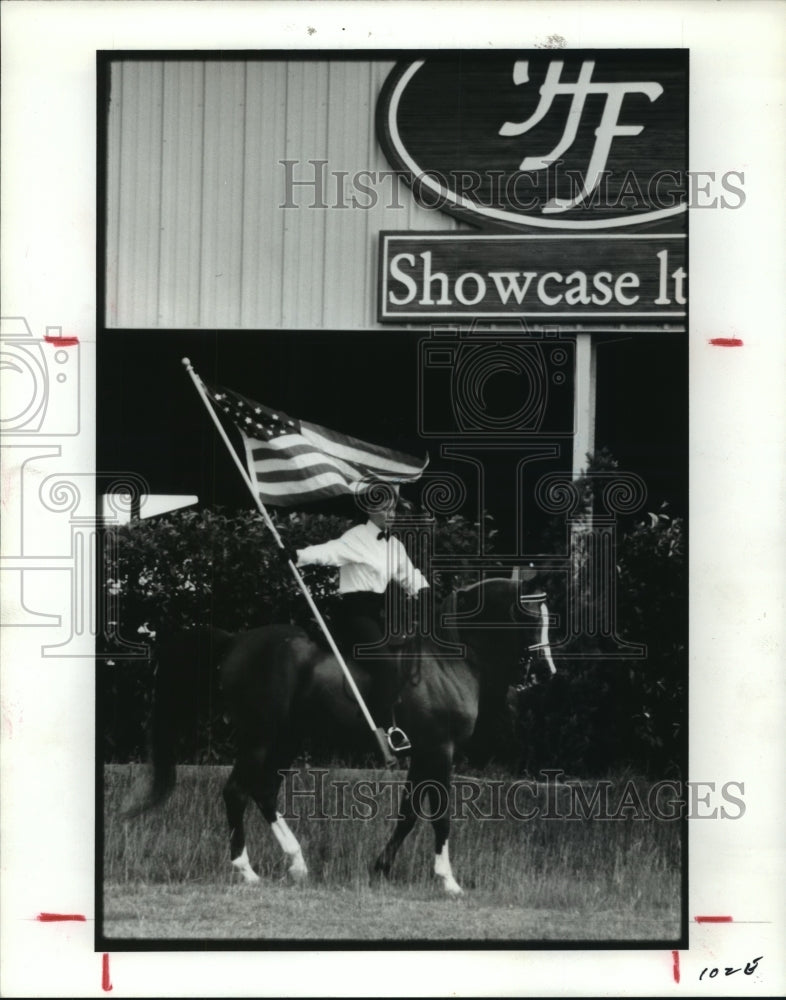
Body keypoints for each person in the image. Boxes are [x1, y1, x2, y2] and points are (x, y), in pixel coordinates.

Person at [280, 494, 428, 756]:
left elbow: (409, 575)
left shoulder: (395, 546)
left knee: (407, 660)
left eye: (394, 509)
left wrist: (425, 591)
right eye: (386, 509)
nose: (391, 514)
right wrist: (298, 555)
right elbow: (328, 552)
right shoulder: (356, 537)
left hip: (377, 616)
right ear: (370, 510)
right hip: (354, 616)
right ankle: (381, 731)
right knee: (386, 667)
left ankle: (402, 721)